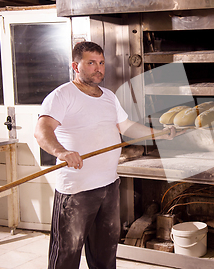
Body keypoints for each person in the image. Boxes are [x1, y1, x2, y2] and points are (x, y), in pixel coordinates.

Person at [34, 41, 179, 269]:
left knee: (105, 255)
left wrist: (159, 134)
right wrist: (61, 152)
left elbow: (127, 127)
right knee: (66, 256)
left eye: (101, 62)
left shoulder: (109, 96)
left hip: (108, 187)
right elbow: (41, 131)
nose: (98, 68)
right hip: (76, 192)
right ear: (75, 65)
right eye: (91, 63)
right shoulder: (62, 95)